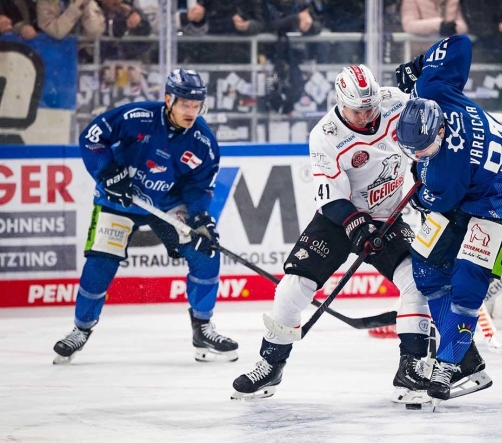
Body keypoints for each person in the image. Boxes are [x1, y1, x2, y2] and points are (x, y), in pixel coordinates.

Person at [231, 65, 433, 404]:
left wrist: (425, 169)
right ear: (340, 102)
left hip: (387, 217)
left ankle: (411, 368)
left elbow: (427, 131)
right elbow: (331, 196)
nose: (366, 116)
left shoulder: (396, 102)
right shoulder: (325, 135)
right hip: (340, 220)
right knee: (292, 288)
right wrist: (357, 225)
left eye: (370, 108)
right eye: (357, 110)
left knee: (418, 281)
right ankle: (270, 364)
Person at [52, 69, 238, 364]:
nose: (191, 112)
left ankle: (202, 327)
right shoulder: (136, 117)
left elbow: (199, 186)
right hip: (118, 200)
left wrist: (201, 218)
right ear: (169, 100)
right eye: (185, 104)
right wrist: (108, 173)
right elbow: (92, 138)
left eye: (196, 105)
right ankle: (81, 328)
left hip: (166, 204)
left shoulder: (203, 142)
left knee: (205, 252)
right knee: (101, 262)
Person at [393, 34, 502, 406]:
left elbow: (434, 199)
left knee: (468, 279)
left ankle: (449, 363)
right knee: (424, 265)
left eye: (422, 147)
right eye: (411, 148)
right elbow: (459, 43)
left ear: (440, 130)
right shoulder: (433, 88)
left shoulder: (445, 171)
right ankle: (461, 356)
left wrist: (419, 188)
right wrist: (419, 66)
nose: (417, 154)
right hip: (470, 185)